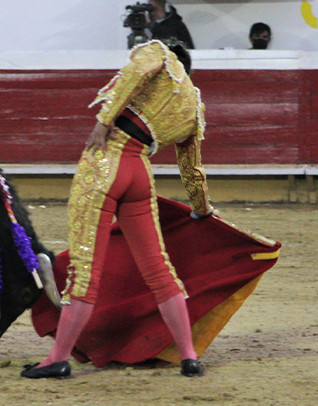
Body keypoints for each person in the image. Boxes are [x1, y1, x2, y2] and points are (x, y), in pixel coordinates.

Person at [21, 39, 212, 379]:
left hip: (106, 162)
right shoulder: (193, 108)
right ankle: (188, 356)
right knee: (159, 270)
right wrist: (202, 208)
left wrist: (102, 121)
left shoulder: (160, 54)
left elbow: (137, 70)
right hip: (140, 172)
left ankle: (58, 358)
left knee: (85, 268)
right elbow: (191, 169)